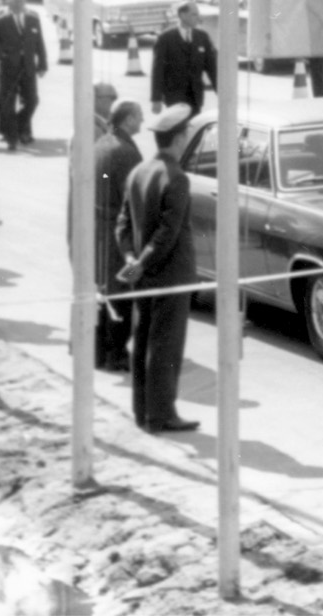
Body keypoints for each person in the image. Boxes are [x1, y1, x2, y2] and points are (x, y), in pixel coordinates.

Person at [120, 103, 197, 432]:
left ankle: (143, 411)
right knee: (166, 345)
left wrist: (130, 259)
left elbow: (122, 224)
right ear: (179, 139)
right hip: (169, 275)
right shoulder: (175, 177)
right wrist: (142, 261)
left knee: (143, 341)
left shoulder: (138, 172)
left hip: (143, 275)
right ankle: (161, 414)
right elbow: (169, 232)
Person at [91, 99, 145, 372]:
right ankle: (116, 353)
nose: (143, 122)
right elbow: (134, 197)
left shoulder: (101, 143)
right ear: (127, 120)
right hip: (117, 230)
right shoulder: (126, 153)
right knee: (121, 294)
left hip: (99, 227)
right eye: (139, 117)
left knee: (104, 291)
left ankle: (100, 353)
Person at [0, 0, 47, 148]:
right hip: (9, 68)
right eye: (15, 1)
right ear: (8, 2)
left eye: (21, 1)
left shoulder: (33, 19)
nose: (18, 4)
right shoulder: (0, 21)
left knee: (32, 100)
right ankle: (11, 136)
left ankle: (16, 126)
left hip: (28, 68)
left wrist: (42, 64)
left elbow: (39, 43)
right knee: (7, 102)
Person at [149, 2, 217, 117]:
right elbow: (158, 70)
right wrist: (156, 99)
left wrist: (221, 91)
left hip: (195, 96)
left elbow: (212, 68)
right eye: (194, 15)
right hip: (174, 97)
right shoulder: (165, 38)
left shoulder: (202, 37)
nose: (198, 18)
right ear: (182, 15)